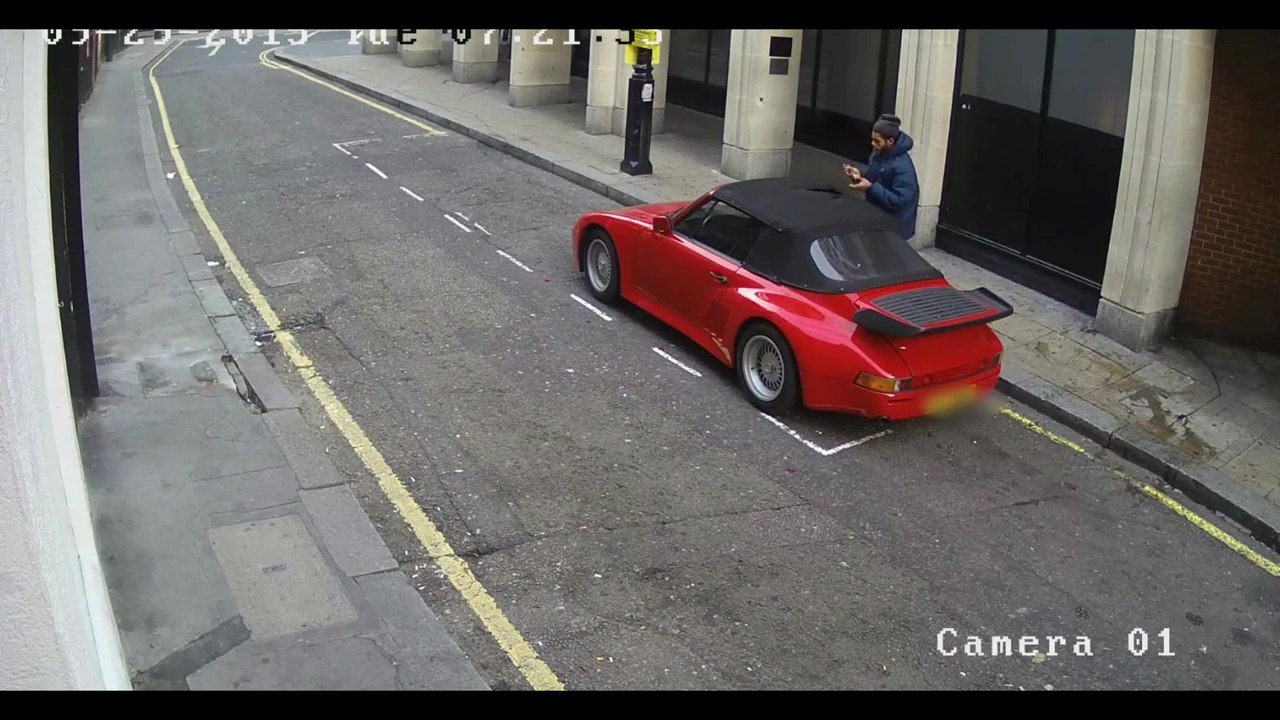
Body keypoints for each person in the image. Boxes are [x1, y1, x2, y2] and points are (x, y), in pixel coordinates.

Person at [843, 114, 920, 240]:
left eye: (877, 141)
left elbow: (900, 200)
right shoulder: (878, 153)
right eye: (872, 139)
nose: (873, 144)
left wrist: (870, 188)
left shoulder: (902, 167)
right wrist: (858, 176)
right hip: (878, 219)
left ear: (890, 141)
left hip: (895, 228)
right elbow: (873, 178)